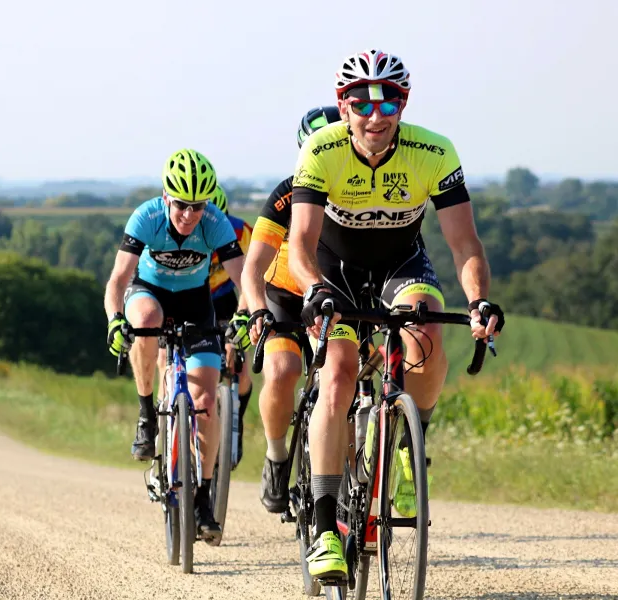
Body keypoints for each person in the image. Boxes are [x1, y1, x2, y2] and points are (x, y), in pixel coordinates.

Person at [286, 49, 505, 580]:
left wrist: (477, 300)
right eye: (360, 101)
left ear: (404, 104)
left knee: (427, 326)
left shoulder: (434, 151)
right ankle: (322, 529)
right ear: (343, 105)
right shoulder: (322, 149)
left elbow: (464, 243)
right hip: (334, 269)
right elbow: (300, 244)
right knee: (337, 372)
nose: (375, 114)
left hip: (400, 263)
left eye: (390, 101)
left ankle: (410, 443)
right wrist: (315, 290)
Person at [103, 149, 251, 543]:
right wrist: (115, 319)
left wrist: (246, 313)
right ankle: (147, 413)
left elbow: (243, 279)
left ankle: (202, 496)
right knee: (146, 323)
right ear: (167, 197)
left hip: (194, 300)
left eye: (197, 206)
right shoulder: (147, 217)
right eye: (182, 205)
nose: (189, 215)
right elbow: (118, 280)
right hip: (149, 291)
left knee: (205, 400)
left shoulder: (216, 223)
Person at [242, 105, 341, 513]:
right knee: (282, 371)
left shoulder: (360, 194)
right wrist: (255, 311)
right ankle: (278, 456)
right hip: (284, 296)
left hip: (338, 299)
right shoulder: (287, 194)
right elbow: (253, 267)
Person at [206, 183, 253, 463]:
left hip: (223, 296)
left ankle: (235, 422)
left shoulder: (240, 232)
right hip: (192, 295)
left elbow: (251, 277)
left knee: (241, 368)